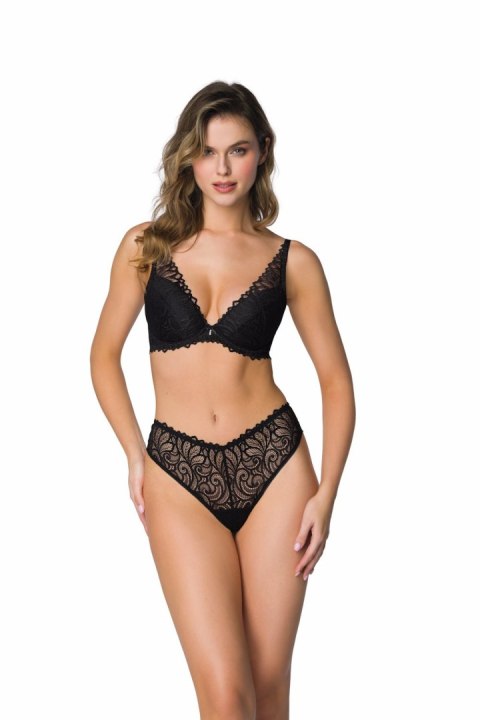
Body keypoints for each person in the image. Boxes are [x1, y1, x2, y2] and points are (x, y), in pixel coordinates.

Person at [90, 80, 355, 720]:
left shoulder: (293, 261)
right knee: (225, 697)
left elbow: (336, 381)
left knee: (268, 689)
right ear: (189, 158)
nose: (223, 168)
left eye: (237, 150)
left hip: (275, 467)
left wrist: (326, 494)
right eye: (208, 152)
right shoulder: (145, 247)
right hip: (177, 470)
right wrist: (134, 454)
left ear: (261, 151)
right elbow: (103, 357)